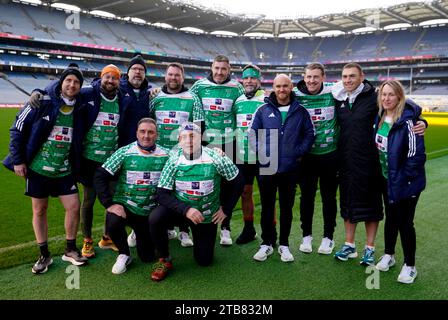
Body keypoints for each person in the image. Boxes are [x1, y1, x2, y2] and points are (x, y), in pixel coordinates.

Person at [332, 63, 427, 266]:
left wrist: (422, 121)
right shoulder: (347, 101)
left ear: (362, 77)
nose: (348, 80)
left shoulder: (382, 104)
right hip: (373, 171)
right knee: (386, 216)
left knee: (396, 218)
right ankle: (382, 253)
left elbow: (407, 110)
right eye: (344, 76)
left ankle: (398, 260)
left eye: (352, 76)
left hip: (390, 175)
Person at [3, 65, 88, 274]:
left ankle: (70, 249)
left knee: (74, 207)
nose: (72, 85)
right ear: (61, 82)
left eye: (76, 82)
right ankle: (44, 254)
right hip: (38, 169)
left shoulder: (81, 105)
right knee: (39, 210)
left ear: (80, 87)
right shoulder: (42, 101)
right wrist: (18, 160)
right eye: (68, 80)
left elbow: (101, 86)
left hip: (64, 170)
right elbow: (17, 129)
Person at [148, 122, 244, 281]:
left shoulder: (215, 157)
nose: (189, 140)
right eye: (184, 137)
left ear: (201, 138)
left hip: (206, 214)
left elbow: (238, 180)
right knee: (156, 217)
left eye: (193, 136)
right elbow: (162, 194)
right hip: (182, 211)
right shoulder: (174, 159)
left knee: (204, 261)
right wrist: (186, 210)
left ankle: (199, 238)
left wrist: (226, 209)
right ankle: (163, 259)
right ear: (179, 140)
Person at [249, 74, 315, 263]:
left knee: (286, 208)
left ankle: (284, 244)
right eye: (278, 86)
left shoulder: (301, 111)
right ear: (273, 87)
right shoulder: (262, 110)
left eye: (285, 86)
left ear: (291, 87)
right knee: (267, 207)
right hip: (267, 166)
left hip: (290, 167)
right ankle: (267, 243)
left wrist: (297, 153)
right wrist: (263, 154)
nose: (281, 90)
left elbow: (310, 135)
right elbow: (252, 134)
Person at [93, 118, 170, 274]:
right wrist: (109, 204)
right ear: (136, 133)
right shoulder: (124, 152)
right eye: (142, 131)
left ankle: (138, 234)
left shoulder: (166, 155)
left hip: (149, 212)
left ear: (157, 135)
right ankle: (124, 253)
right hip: (127, 206)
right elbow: (100, 175)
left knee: (148, 257)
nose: (146, 136)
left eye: (150, 132)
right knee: (113, 221)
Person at [146, 62, 205, 247]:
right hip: (158, 153)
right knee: (155, 189)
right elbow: (147, 122)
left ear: (182, 77)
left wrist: (192, 150)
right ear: (165, 76)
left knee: (182, 191)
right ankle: (153, 227)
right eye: (170, 74)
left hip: (182, 153)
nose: (173, 78)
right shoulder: (155, 97)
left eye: (177, 75)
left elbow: (199, 126)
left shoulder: (192, 98)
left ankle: (183, 230)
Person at [98, 54, 153, 250]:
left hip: (144, 151)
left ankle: (137, 230)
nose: (138, 72)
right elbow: (97, 86)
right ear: (127, 72)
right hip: (120, 151)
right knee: (116, 192)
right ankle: (108, 235)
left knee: (142, 189)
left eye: (141, 69)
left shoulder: (149, 93)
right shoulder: (119, 89)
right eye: (134, 68)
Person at [373, 80, 426, 284]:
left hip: (406, 182)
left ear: (399, 97)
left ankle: (410, 265)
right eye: (383, 94)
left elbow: (416, 157)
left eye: (391, 95)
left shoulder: (410, 122)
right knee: (391, 218)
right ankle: (389, 254)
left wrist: (401, 182)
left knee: (405, 222)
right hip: (387, 180)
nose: (386, 98)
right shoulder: (379, 116)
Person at [190, 55, 245, 246]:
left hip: (230, 142)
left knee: (229, 187)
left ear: (229, 70)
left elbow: (245, 105)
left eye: (224, 69)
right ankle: (200, 225)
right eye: (217, 68)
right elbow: (186, 100)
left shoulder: (237, 87)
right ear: (211, 68)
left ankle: (226, 228)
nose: (220, 72)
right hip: (206, 143)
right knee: (207, 185)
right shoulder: (199, 86)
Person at [77, 64, 123, 258]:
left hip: (111, 160)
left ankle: (107, 237)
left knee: (111, 200)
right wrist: (39, 91)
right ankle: (87, 240)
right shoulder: (88, 94)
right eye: (107, 77)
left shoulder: (122, 98)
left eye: (114, 78)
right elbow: (64, 88)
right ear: (101, 77)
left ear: (119, 81)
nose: (110, 81)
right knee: (89, 200)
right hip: (90, 158)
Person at [293, 63, 339, 254]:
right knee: (307, 198)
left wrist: (419, 118)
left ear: (323, 77)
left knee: (329, 197)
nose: (311, 81)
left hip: (330, 154)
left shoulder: (334, 92)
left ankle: (328, 237)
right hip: (307, 158)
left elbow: (363, 90)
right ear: (304, 77)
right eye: (308, 77)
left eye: (316, 77)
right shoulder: (296, 94)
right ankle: (307, 236)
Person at [234, 64, 277, 244]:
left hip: (264, 155)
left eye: (253, 78)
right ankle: (249, 229)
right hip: (243, 155)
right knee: (245, 192)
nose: (249, 81)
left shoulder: (267, 99)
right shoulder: (238, 101)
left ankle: (270, 232)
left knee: (268, 194)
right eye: (246, 78)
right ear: (242, 80)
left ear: (259, 80)